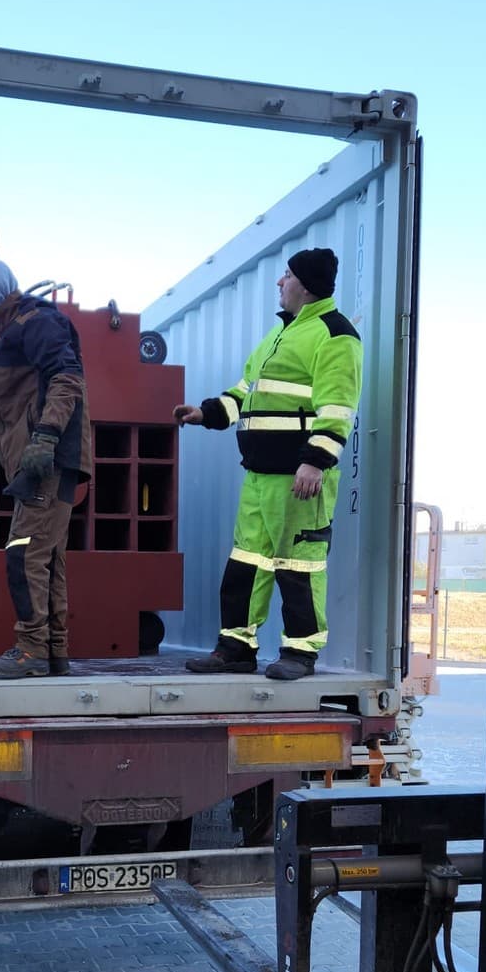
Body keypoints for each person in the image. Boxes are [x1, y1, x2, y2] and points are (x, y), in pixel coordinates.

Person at [174, 247, 362, 681]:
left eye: (287, 276)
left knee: (299, 564)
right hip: (260, 475)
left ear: (307, 285)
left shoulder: (335, 335)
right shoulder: (279, 335)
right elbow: (244, 394)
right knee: (247, 560)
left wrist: (315, 462)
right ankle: (236, 648)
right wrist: (206, 413)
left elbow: (337, 407)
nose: (280, 282)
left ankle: (300, 653)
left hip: (300, 477)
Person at [0, 259, 92, 679]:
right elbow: (12, 416)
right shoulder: (12, 333)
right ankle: (53, 651)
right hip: (41, 458)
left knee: (23, 553)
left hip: (48, 460)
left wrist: (48, 437)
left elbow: (67, 378)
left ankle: (31, 650)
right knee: (47, 557)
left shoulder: (36, 322)